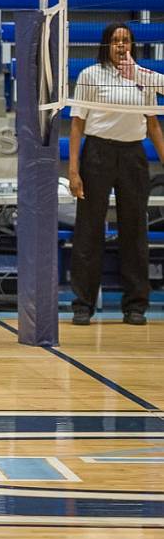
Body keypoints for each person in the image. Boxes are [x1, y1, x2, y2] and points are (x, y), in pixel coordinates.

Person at [69, 23, 164, 327]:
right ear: (106, 45)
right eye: (116, 40)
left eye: (126, 40)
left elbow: (153, 125)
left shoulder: (145, 78)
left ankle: (135, 305)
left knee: (135, 230)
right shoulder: (90, 75)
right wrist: (73, 170)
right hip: (97, 154)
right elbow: (76, 125)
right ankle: (83, 304)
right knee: (89, 230)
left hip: (133, 155)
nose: (122, 45)